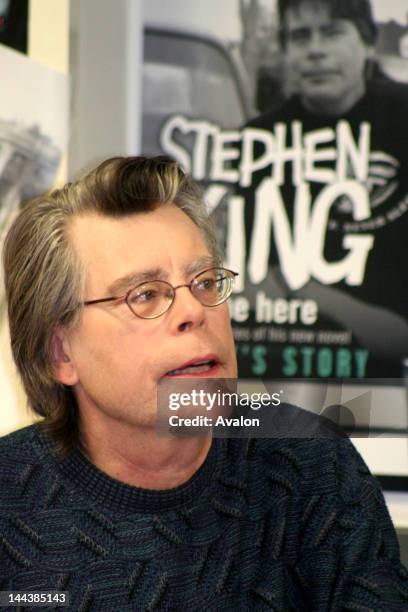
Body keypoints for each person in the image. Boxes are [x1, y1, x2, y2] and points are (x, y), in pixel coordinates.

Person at [0, 156, 407, 610]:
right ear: (61, 353)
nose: (195, 311)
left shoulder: (310, 461)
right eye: (145, 295)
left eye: (206, 281)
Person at [240, 0, 408, 379]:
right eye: (300, 37)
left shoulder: (402, 118)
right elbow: (258, 276)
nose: (315, 49)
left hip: (389, 376)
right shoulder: (261, 139)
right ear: (284, 51)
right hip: (290, 367)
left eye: (332, 33)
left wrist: (306, 291)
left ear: (368, 42)